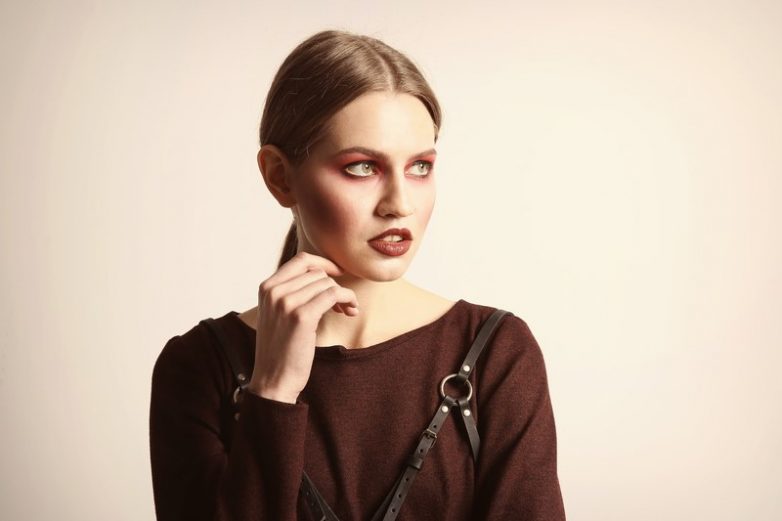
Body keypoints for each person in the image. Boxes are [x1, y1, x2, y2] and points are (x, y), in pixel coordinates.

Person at [149, 29, 566, 520]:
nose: (400, 204)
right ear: (280, 176)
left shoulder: (496, 353)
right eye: (363, 167)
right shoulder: (198, 368)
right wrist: (273, 392)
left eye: (420, 167)